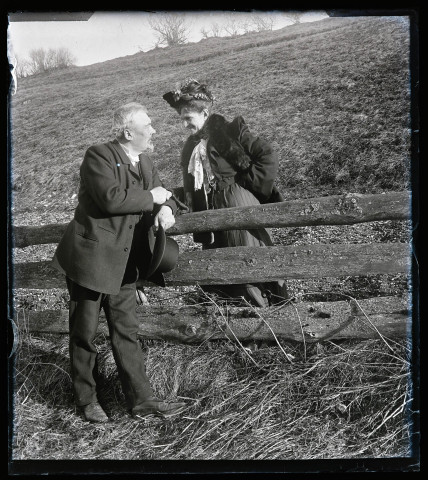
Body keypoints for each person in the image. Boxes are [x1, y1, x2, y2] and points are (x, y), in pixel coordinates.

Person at [51, 102, 186, 423]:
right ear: (128, 132)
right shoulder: (98, 155)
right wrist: (152, 198)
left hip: (125, 266)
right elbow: (111, 198)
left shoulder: (146, 162)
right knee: (84, 333)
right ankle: (86, 400)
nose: (154, 130)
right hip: (92, 262)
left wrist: (167, 209)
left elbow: (166, 195)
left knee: (127, 332)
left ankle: (142, 401)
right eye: (148, 126)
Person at [163, 78, 288, 307]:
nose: (184, 125)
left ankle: (263, 322)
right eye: (181, 119)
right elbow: (192, 188)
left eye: (188, 118)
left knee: (246, 259)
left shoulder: (230, 132)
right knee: (219, 264)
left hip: (237, 205)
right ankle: (234, 324)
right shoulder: (190, 147)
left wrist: (243, 184)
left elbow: (267, 155)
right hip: (210, 212)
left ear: (205, 113)